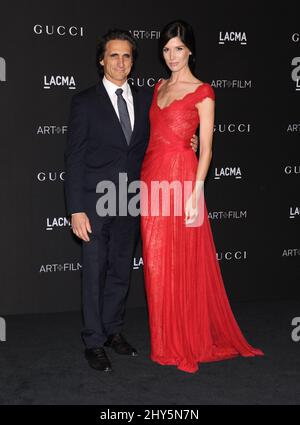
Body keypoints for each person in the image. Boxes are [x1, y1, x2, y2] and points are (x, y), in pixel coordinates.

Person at [64, 29, 198, 373]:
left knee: (121, 270)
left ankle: (113, 331)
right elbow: (74, 158)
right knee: (94, 273)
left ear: (132, 61)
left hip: (133, 199)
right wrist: (76, 208)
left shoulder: (146, 98)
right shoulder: (84, 102)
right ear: (101, 60)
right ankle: (93, 340)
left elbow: (164, 132)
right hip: (95, 202)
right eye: (114, 55)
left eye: (127, 56)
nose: (121, 62)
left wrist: (188, 141)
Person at [140, 20, 264, 373]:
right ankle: (164, 339)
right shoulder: (157, 87)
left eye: (178, 48)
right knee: (157, 264)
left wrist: (196, 193)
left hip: (182, 180)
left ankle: (184, 342)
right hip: (151, 180)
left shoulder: (204, 92)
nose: (172, 55)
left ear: (190, 49)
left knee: (183, 261)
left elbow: (207, 149)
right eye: (166, 49)